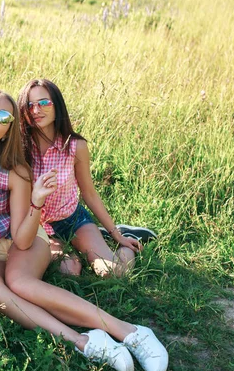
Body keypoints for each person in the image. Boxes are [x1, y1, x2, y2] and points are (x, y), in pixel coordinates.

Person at [0, 92, 168, 371]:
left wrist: (37, 201)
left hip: (22, 239)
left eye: (3, 117)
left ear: (7, 133)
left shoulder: (14, 169)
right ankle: (84, 341)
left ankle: (131, 332)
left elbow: (23, 239)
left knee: (20, 282)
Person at [17, 78, 156, 277]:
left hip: (72, 219)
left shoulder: (75, 146)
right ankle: (83, 247)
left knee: (111, 272)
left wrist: (117, 235)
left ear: (58, 106)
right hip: (38, 226)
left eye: (44, 103)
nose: (36, 110)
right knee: (69, 271)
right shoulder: (19, 148)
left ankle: (119, 235)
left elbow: (89, 194)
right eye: (30, 105)